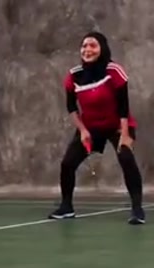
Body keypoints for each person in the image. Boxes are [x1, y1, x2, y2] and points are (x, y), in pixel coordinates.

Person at [49, 31, 145, 225]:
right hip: (91, 127)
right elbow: (71, 107)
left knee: (126, 158)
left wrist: (125, 135)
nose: (87, 50)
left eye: (93, 45)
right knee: (67, 163)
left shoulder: (114, 71)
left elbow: (123, 106)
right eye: (84, 46)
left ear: (102, 49)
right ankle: (66, 207)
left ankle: (137, 209)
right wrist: (83, 131)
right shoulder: (74, 75)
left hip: (118, 125)